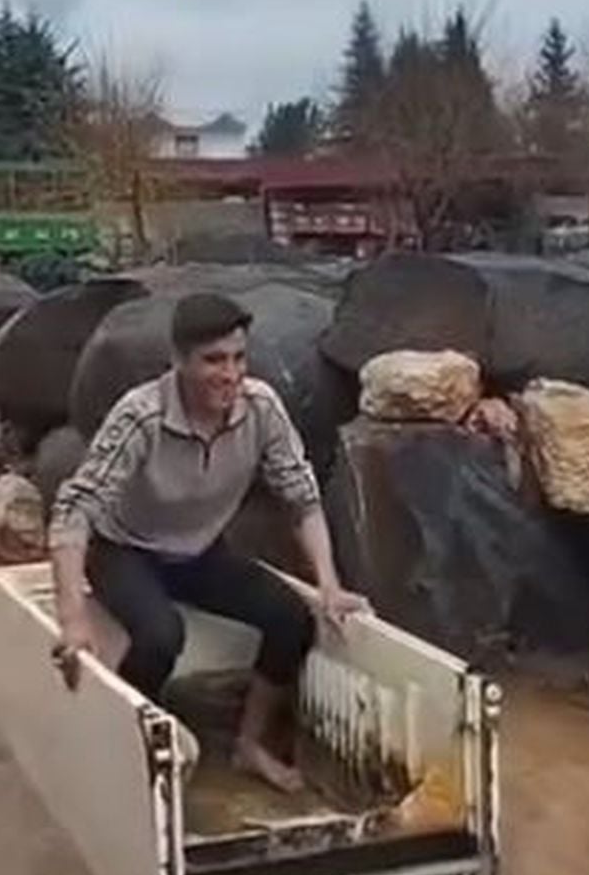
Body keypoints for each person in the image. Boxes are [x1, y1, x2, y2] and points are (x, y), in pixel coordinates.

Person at [48, 291, 368, 793]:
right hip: (122, 548)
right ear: (179, 362)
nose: (231, 374)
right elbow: (74, 509)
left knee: (290, 619)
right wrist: (72, 618)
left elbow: (301, 495)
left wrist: (329, 584)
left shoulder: (261, 407)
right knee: (160, 636)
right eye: (213, 360)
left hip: (197, 550)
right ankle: (125, 753)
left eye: (239, 358)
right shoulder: (141, 415)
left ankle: (249, 745)